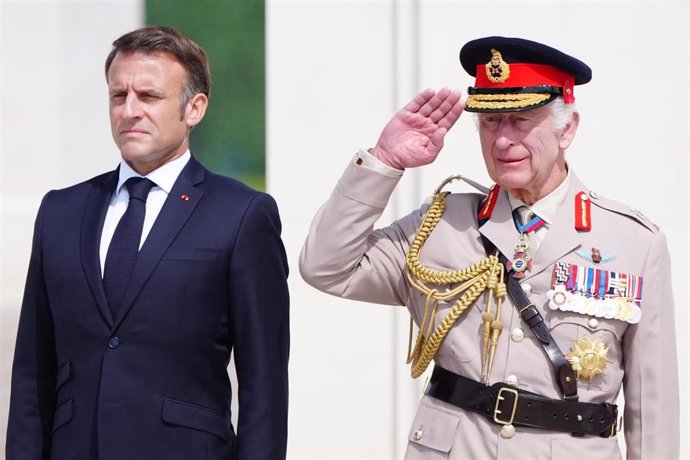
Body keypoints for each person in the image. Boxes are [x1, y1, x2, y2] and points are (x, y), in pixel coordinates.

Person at [300, 36, 678, 459]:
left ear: (567, 128)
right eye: (491, 122)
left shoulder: (632, 241)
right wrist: (385, 161)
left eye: (521, 119)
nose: (502, 140)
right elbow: (326, 267)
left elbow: (653, 408)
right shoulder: (441, 224)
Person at [6, 26, 289, 460]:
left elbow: (264, 383)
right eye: (119, 96)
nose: (129, 110)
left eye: (149, 96)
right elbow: (32, 372)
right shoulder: (60, 212)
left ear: (194, 108)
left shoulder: (243, 214)